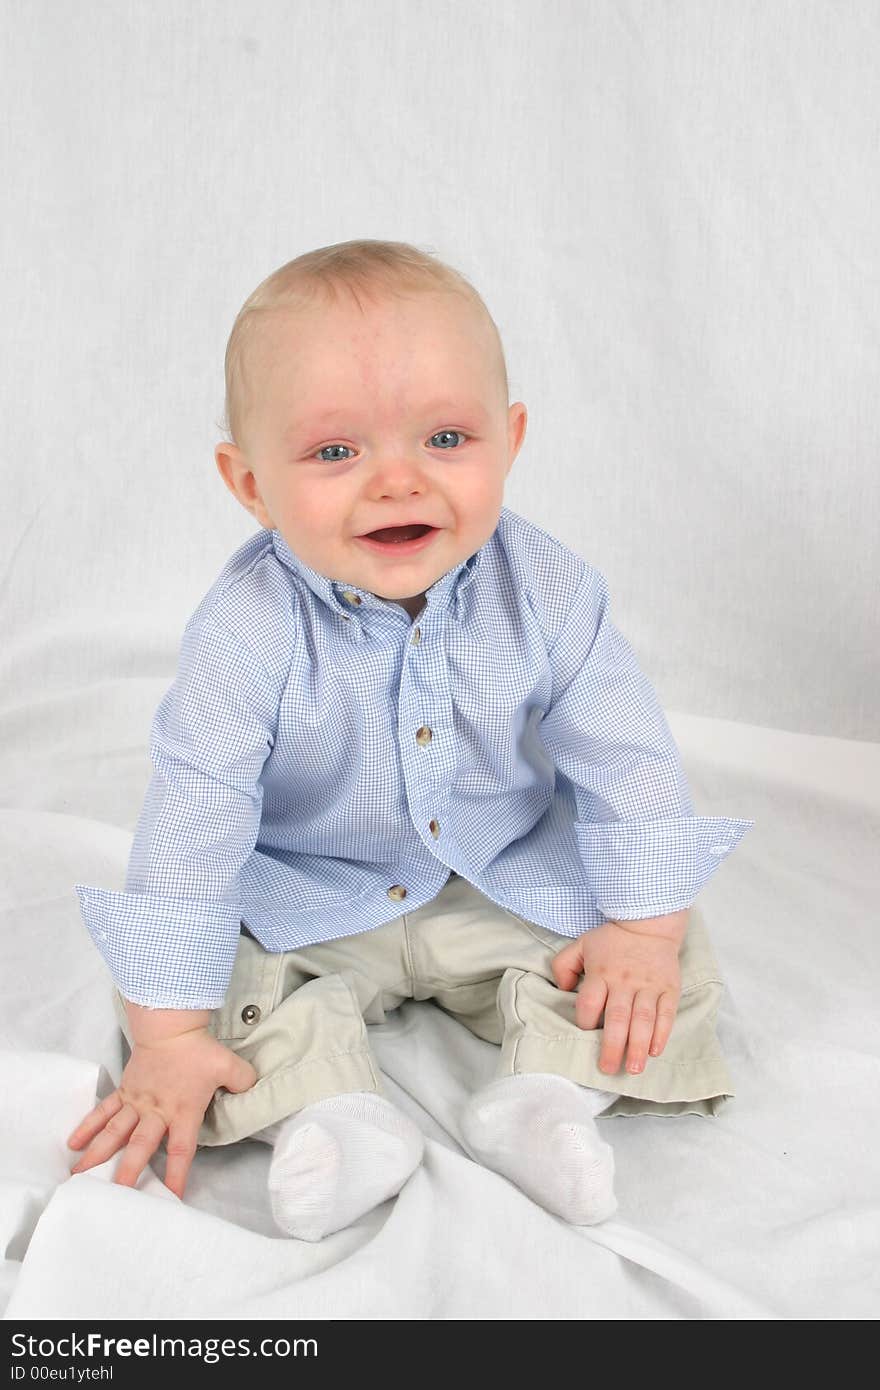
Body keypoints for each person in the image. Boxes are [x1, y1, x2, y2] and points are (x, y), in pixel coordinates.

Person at [68, 239, 755, 1241]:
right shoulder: (245, 631)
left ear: (509, 440)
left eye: (444, 437)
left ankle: (546, 1100)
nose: (398, 481)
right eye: (335, 452)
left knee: (664, 949)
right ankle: (333, 1117)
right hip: (308, 891)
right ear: (249, 482)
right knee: (202, 985)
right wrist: (167, 1031)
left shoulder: (550, 594)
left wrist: (643, 932)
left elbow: (627, 754)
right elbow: (195, 813)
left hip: (496, 874)